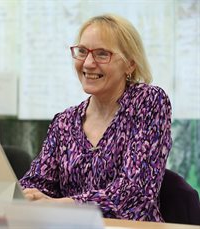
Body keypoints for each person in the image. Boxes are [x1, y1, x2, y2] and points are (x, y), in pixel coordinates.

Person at [20, 14, 172, 222]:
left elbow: (134, 194)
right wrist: (29, 196)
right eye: (82, 52)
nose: (88, 63)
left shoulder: (148, 102)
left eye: (102, 54)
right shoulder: (64, 121)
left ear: (130, 64)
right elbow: (38, 181)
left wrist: (60, 205)